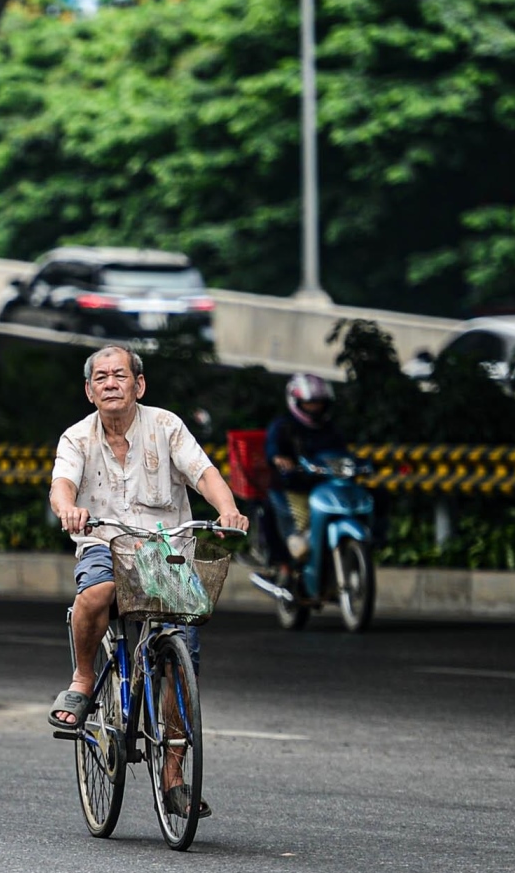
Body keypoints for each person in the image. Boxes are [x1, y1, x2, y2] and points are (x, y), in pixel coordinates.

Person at [47, 346, 249, 818]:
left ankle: (173, 777)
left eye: (121, 375)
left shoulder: (166, 426)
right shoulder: (76, 438)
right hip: (106, 544)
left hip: (166, 550)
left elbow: (203, 473)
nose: (111, 382)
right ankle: (81, 680)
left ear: (140, 385)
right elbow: (62, 485)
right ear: (90, 391)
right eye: (101, 377)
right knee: (95, 592)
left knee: (181, 658)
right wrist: (68, 509)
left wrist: (228, 509)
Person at [264, 373, 349, 564]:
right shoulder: (283, 426)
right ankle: (284, 567)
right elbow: (273, 449)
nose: (315, 407)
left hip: (326, 486)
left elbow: (342, 453)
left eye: (319, 403)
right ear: (297, 401)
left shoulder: (330, 428)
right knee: (298, 536)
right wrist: (279, 459)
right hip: (293, 487)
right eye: (310, 403)